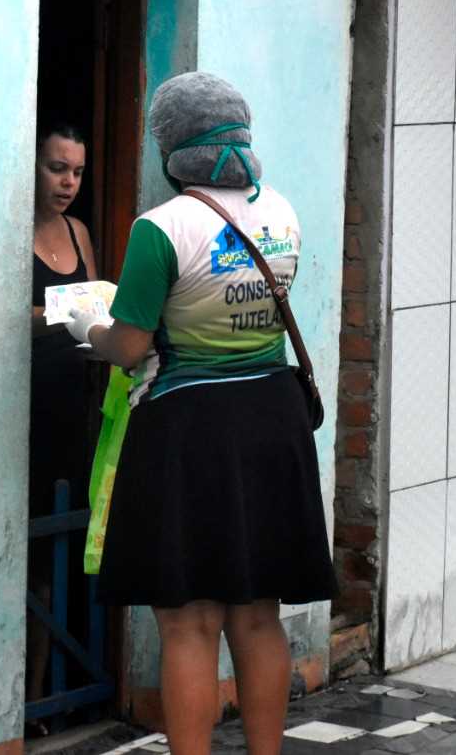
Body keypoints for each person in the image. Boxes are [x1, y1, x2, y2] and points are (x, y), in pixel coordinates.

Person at [67, 73, 337, 755]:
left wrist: (90, 329)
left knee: (189, 622)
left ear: (170, 145)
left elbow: (131, 345)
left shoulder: (160, 228)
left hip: (190, 431)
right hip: (272, 419)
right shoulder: (282, 213)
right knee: (257, 614)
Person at [27, 123, 98, 718]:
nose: (68, 182)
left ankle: (56, 693)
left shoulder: (79, 232)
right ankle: (29, 701)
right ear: (32, 165)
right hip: (27, 412)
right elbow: (7, 312)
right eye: (57, 168)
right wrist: (65, 309)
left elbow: (94, 310)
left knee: (70, 548)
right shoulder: (12, 233)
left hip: (76, 408)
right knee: (32, 559)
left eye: (76, 171)